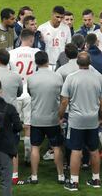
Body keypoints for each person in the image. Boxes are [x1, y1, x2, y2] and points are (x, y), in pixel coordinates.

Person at [59, 52, 102, 191]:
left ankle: (74, 182)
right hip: (92, 119)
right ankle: (96, 179)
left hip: (76, 120)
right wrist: (101, 118)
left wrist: (60, 115)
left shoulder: (71, 78)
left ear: (77, 63)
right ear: (90, 62)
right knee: (94, 150)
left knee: (76, 150)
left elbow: (64, 101)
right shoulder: (98, 78)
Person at [27, 51, 65, 184]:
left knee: (35, 147)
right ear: (48, 61)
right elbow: (62, 96)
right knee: (56, 147)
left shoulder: (31, 78)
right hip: (53, 118)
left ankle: (34, 176)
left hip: (37, 118)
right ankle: (61, 175)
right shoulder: (57, 77)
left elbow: (31, 94)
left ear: (36, 62)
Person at [0, 48, 23, 185]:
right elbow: (20, 93)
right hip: (11, 114)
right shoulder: (15, 76)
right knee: (13, 145)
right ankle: (14, 175)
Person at [9, 29, 39, 165]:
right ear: (32, 39)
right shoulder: (37, 53)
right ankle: (28, 156)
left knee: (13, 126)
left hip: (16, 92)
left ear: (20, 38)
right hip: (31, 92)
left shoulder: (11, 54)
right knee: (28, 126)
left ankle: (12, 156)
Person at [38, 6, 72, 70]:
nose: (59, 19)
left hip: (61, 63)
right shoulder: (42, 28)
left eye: (62, 17)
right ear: (52, 14)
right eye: (57, 17)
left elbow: (68, 46)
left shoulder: (66, 28)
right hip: (46, 64)